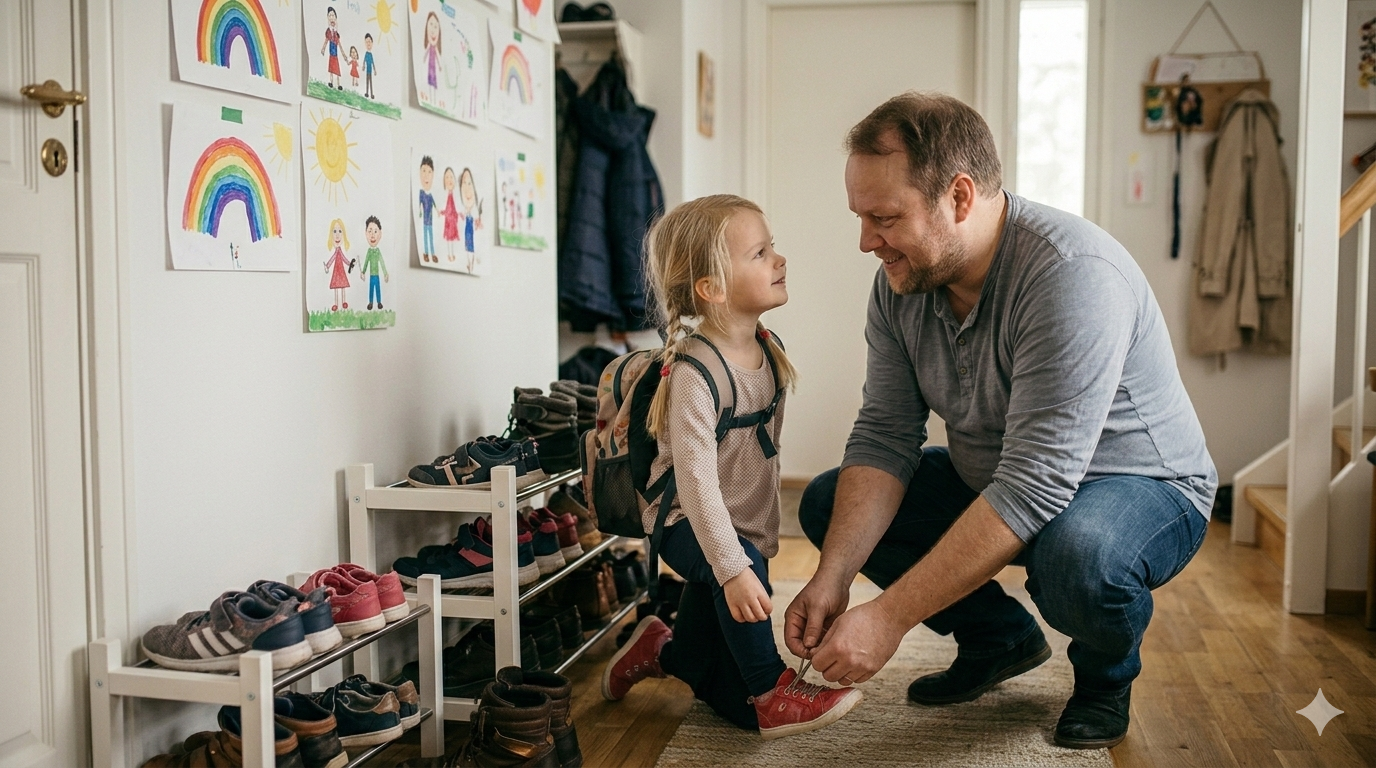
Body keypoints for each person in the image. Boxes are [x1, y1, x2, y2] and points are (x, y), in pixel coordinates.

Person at [783, 92, 1217, 750]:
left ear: (960, 197)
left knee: (1079, 556)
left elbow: (1034, 486)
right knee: (826, 503)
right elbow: (884, 436)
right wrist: (833, 578)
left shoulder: (1073, 278)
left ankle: (1105, 677)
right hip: (1003, 477)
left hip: (1141, 486)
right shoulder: (903, 281)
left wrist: (889, 618)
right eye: (862, 218)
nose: (867, 242)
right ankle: (1000, 639)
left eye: (885, 218)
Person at [600, 195, 863, 740]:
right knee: (739, 584)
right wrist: (733, 566)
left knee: (716, 680)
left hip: (740, 522)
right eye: (761, 252)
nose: (780, 260)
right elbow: (696, 487)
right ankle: (771, 691)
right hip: (682, 521)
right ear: (713, 288)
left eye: (774, 248)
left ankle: (664, 651)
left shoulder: (769, 349)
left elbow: (759, 456)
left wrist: (749, 544)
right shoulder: (696, 374)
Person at [323, 218, 353, 311]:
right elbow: (332, 259)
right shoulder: (336, 251)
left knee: (342, 286)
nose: (337, 235)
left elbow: (344, 259)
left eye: (340, 231)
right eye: (334, 231)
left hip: (341, 271)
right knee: (336, 287)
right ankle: (336, 303)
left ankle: (344, 301)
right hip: (336, 271)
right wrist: (327, 266)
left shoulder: (339, 250)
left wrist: (350, 264)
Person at [359, 216, 388, 311]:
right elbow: (366, 262)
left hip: (377, 275)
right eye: (370, 231)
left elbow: (382, 263)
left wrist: (385, 273)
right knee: (371, 289)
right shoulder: (369, 252)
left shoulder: (378, 251)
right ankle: (371, 303)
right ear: (365, 233)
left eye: (375, 231)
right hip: (371, 275)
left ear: (380, 234)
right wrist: (363, 271)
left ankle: (379, 302)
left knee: (378, 289)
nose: (372, 235)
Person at [458, 167, 483, 272]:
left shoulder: (476, 211)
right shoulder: (465, 210)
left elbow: (478, 223)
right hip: (467, 232)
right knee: (467, 248)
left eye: (470, 183)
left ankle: (472, 264)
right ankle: (469, 264)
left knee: (472, 249)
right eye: (464, 183)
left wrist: (478, 222)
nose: (467, 189)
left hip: (472, 233)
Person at [417, 156, 437, 263]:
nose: (426, 175)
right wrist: (419, 211)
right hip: (424, 221)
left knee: (431, 237)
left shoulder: (431, 195)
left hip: (431, 221)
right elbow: (420, 204)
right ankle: (426, 253)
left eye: (429, 172)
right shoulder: (421, 193)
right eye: (423, 171)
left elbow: (434, 204)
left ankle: (433, 254)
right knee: (425, 237)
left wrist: (438, 211)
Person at [441, 167, 460, 262]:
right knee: (449, 239)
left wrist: (457, 215)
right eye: (447, 177)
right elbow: (448, 209)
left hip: (452, 221)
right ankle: (450, 255)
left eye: (451, 177)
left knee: (451, 239)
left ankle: (452, 254)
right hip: (449, 222)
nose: (449, 180)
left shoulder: (454, 195)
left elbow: (454, 208)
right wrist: (443, 212)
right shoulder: (448, 196)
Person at [320, 8, 342, 90]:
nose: (331, 17)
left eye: (333, 15)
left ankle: (338, 84)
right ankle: (331, 82)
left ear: (335, 17)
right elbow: (326, 40)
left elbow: (339, 43)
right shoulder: (328, 32)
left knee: (337, 69)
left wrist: (343, 54)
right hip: (331, 54)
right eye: (329, 15)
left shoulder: (336, 33)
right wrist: (323, 49)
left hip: (335, 54)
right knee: (331, 69)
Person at [363, 34, 376, 99]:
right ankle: (367, 93)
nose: (368, 43)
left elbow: (373, 62)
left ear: (372, 43)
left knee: (370, 82)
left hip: (370, 71)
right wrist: (363, 66)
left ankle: (371, 94)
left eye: (370, 41)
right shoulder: (366, 53)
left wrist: (374, 70)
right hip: (367, 71)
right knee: (367, 82)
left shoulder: (370, 54)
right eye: (367, 42)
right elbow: (364, 60)